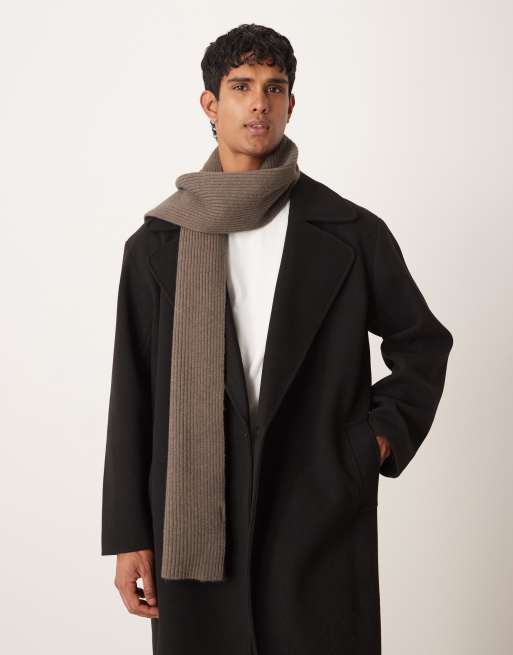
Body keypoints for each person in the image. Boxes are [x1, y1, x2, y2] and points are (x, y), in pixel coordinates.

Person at [101, 23, 453, 655]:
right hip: (192, 524)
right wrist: (129, 536)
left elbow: (421, 342)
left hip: (317, 506)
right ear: (211, 104)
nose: (259, 103)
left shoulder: (350, 232)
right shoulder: (157, 244)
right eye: (241, 87)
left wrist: (374, 441)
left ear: (292, 103)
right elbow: (133, 393)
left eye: (274, 87)